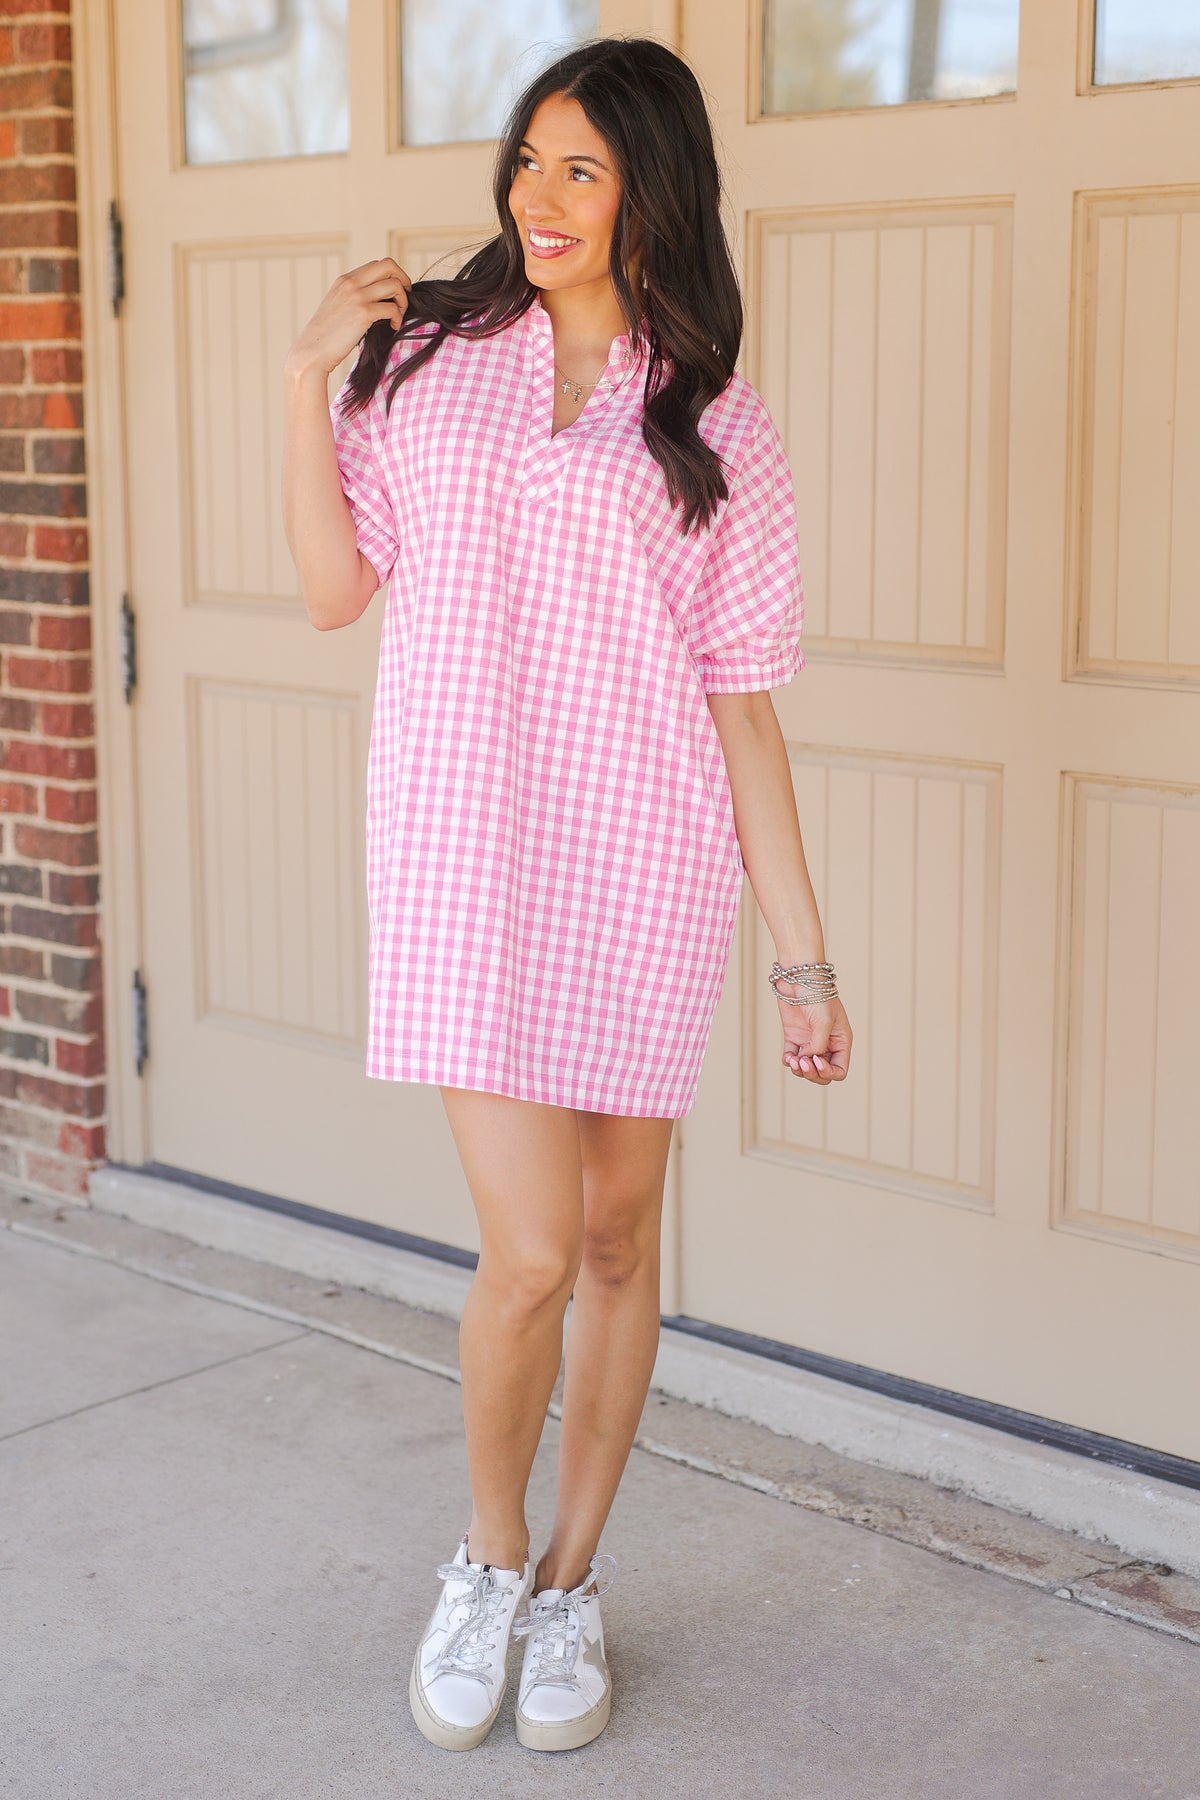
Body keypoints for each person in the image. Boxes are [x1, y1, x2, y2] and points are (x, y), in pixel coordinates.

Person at [282, 34, 853, 1757]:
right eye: (529, 159)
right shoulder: (427, 361)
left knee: (616, 1243)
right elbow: (330, 593)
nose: (540, 196)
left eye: (583, 167)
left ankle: (572, 1586)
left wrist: (804, 960)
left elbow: (740, 707)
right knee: (526, 1255)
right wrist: (296, 373)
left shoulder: (712, 417)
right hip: (466, 858)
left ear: (652, 190)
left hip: (645, 866)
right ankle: (488, 1555)